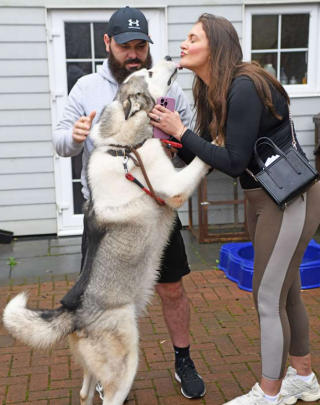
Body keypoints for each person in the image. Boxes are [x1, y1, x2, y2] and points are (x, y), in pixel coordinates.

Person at [149, 13, 320, 405]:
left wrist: (181, 132)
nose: (183, 45)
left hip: (288, 200)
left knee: (267, 297)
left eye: (193, 38)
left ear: (216, 46)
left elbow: (233, 160)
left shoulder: (244, 85)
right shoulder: (212, 90)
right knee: (286, 291)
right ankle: (305, 378)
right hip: (262, 200)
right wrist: (176, 142)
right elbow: (209, 152)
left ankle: (270, 392)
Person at [53, 6, 206, 400]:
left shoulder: (164, 84)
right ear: (108, 44)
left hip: (157, 214)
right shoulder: (86, 87)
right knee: (102, 303)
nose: (134, 54)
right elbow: (59, 142)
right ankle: (107, 374)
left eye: (140, 46)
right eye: (126, 47)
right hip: (107, 219)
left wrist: (182, 139)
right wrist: (74, 135)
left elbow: (188, 139)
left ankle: (183, 359)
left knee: (172, 289)